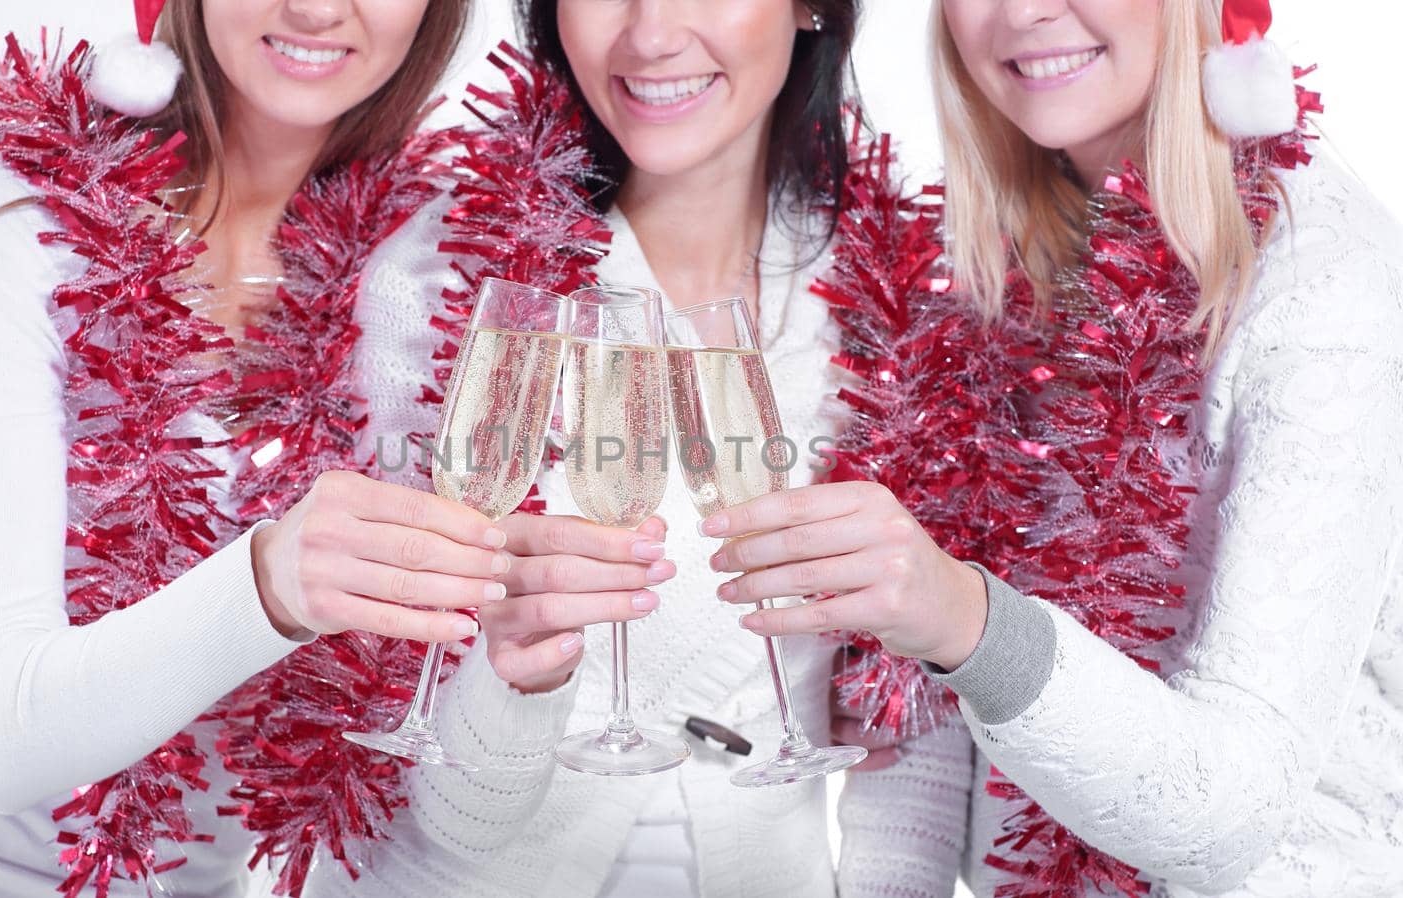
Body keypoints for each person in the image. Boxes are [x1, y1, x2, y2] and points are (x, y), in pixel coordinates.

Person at [0, 1, 575, 895]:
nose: (320, 8)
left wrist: (525, 675)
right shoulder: (28, 210)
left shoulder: (422, 275)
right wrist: (272, 581)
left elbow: (424, 810)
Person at [299, 1, 991, 895]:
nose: (653, 34)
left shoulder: (899, 300)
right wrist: (521, 678)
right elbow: (419, 799)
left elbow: (912, 745)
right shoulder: (443, 279)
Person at [728, 0, 1403, 895]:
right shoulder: (1001, 255)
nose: (1026, 12)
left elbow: (1230, 815)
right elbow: (917, 735)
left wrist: (964, 617)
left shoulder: (1323, 288)